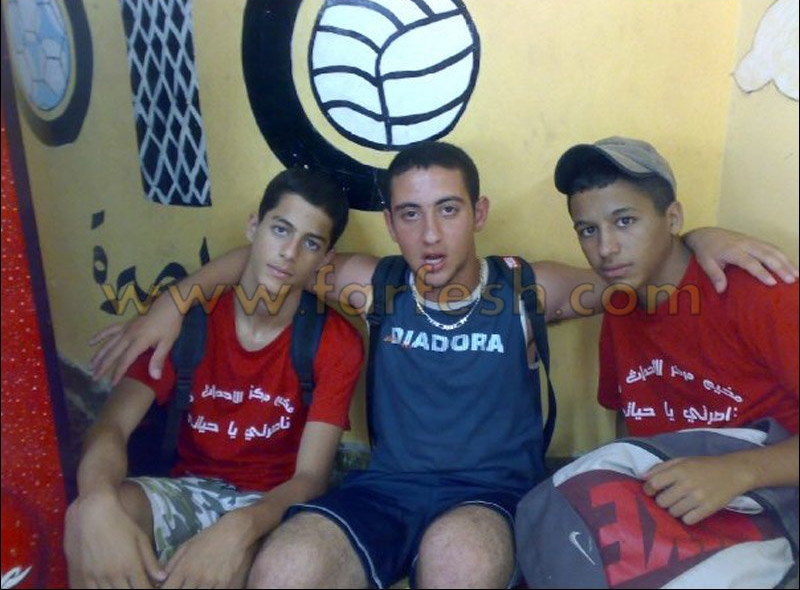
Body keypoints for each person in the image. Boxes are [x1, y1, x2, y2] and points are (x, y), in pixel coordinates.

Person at [89, 142, 797, 588]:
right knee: (286, 565)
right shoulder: (373, 285)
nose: (430, 235)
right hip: (384, 491)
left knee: (459, 557)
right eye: (409, 214)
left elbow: (638, 271)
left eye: (449, 210)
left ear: (479, 212)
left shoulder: (531, 289)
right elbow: (272, 255)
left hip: (488, 496)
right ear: (391, 223)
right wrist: (174, 302)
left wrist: (700, 235)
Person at [64, 168, 364, 589]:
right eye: (280, 229)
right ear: (254, 227)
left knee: (246, 566)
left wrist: (239, 528)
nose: (289, 253)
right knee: (86, 519)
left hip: (269, 506)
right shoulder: (186, 320)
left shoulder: (334, 341)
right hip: (187, 489)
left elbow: (310, 479)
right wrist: (96, 499)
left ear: (325, 260)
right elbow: (111, 425)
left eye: (310, 243)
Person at [552, 136, 798, 524]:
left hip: (774, 504)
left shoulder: (759, 292)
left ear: (673, 219)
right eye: (587, 230)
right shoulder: (622, 302)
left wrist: (739, 471)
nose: (605, 248)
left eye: (625, 221)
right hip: (674, 505)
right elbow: (629, 416)